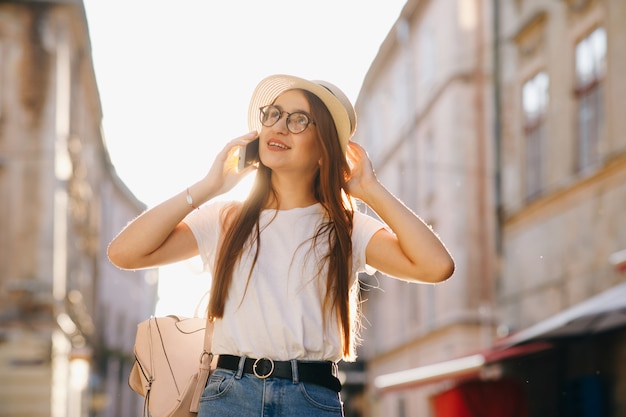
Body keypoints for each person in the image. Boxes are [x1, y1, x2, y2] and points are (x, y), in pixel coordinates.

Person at [108, 74, 454, 417]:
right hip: (229, 394)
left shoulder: (346, 229)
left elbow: (436, 266)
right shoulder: (225, 218)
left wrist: (370, 189)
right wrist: (208, 187)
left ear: (325, 148)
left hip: (311, 399)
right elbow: (124, 252)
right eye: (273, 114)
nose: (280, 126)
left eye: (299, 119)